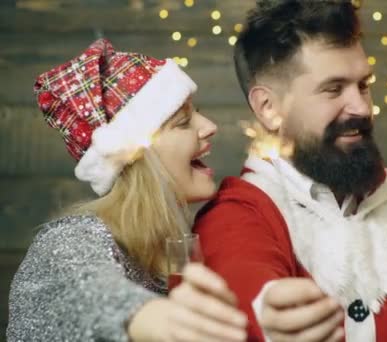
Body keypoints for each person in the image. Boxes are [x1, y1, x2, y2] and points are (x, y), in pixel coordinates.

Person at [193, 1, 387, 340]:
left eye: (364, 85)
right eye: (333, 89)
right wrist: (270, 313)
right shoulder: (237, 215)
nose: (361, 108)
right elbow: (246, 284)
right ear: (269, 108)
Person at [7, 38, 248, 341]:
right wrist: (148, 316)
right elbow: (84, 290)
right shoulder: (69, 240)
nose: (209, 125)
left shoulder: (173, 247)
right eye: (183, 121)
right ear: (137, 154)